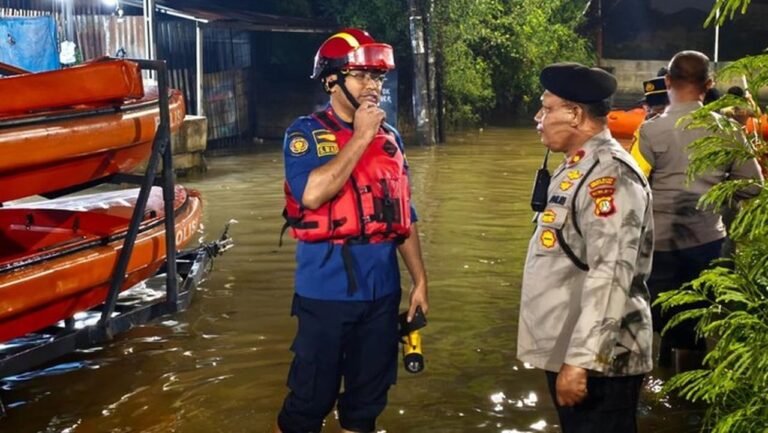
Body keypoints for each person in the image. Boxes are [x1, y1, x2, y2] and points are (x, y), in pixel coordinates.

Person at [276, 28, 428, 433]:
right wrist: (361, 136)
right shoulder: (304, 133)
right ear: (332, 80)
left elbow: (404, 215)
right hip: (326, 293)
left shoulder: (391, 138)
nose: (372, 86)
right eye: (361, 75)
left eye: (377, 77)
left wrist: (420, 282)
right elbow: (311, 194)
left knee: (366, 404)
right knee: (309, 403)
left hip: (381, 293)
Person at [518, 62, 654, 433]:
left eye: (546, 108)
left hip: (603, 360)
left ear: (575, 114)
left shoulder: (610, 177)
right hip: (576, 348)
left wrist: (580, 361)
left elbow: (611, 274)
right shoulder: (578, 167)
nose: (538, 117)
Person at [631, 50, 764, 371]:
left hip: (659, 244)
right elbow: (752, 187)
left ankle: (665, 384)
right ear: (709, 84)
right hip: (709, 244)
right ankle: (689, 403)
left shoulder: (649, 132)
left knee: (663, 317)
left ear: (667, 81)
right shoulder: (729, 131)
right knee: (697, 321)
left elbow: (632, 188)